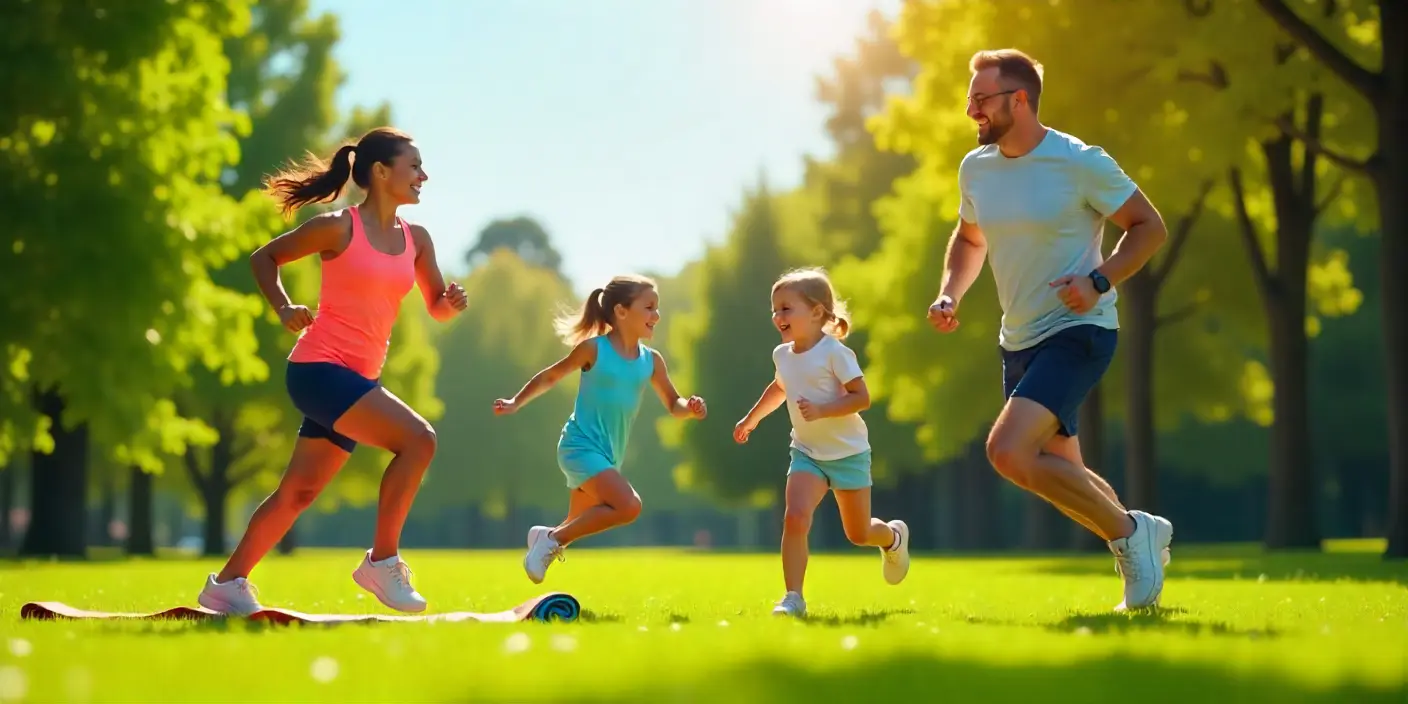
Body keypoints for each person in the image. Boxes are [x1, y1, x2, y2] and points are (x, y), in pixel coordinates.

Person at [926, 49, 1173, 611]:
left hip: (1079, 328)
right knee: (1063, 472)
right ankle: (1140, 530)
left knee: (1008, 452)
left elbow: (1148, 228)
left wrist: (1100, 281)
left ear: (1019, 99)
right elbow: (969, 239)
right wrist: (949, 293)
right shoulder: (977, 168)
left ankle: (1131, 539)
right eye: (969, 99)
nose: (971, 111)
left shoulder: (1079, 161)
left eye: (981, 99)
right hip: (1018, 338)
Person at [196, 127, 467, 616]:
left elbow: (436, 308)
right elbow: (266, 258)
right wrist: (282, 308)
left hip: (358, 379)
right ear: (382, 172)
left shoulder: (417, 240)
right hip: (318, 369)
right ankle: (382, 562)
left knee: (298, 492)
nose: (424, 176)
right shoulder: (339, 227)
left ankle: (227, 584)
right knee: (419, 440)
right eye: (415, 166)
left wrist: (450, 304)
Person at [493, 275, 707, 584]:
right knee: (629, 506)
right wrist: (515, 401)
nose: (656, 316)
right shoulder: (594, 350)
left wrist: (691, 408)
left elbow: (674, 403)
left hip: (608, 455)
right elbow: (551, 376)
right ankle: (551, 540)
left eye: (657, 308)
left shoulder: (651, 361)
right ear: (621, 312)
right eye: (648, 308)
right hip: (579, 447)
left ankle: (548, 536)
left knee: (574, 523)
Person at [734, 268, 911, 618]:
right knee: (796, 518)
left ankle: (892, 538)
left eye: (786, 308)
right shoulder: (782, 355)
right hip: (806, 453)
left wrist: (823, 409)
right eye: (775, 309)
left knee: (859, 533)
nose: (777, 316)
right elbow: (781, 387)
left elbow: (861, 397)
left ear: (816, 312)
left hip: (848, 454)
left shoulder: (835, 353)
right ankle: (793, 598)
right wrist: (751, 418)